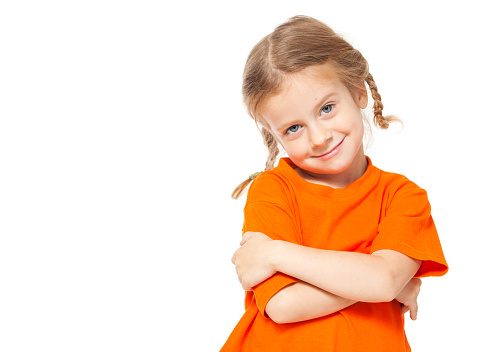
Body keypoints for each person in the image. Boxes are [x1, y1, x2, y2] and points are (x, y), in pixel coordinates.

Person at [221, 15, 448, 352]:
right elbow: (283, 306)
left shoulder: (403, 196)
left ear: (358, 92)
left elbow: (383, 280)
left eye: (327, 108)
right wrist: (375, 280)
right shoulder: (272, 190)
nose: (318, 137)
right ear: (275, 135)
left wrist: (275, 253)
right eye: (293, 128)